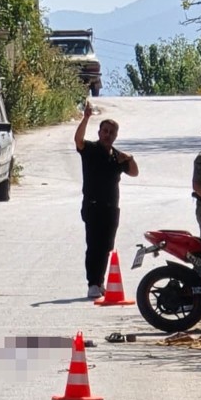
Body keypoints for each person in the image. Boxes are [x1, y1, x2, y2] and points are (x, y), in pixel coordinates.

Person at [74, 101, 139, 299]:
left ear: (116, 136)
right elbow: (78, 140)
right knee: (94, 245)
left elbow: (134, 173)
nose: (107, 135)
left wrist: (130, 158)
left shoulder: (117, 156)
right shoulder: (91, 150)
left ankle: (100, 282)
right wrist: (85, 118)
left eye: (111, 132)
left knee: (106, 247)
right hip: (93, 206)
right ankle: (92, 283)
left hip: (111, 208)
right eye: (105, 131)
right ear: (99, 132)